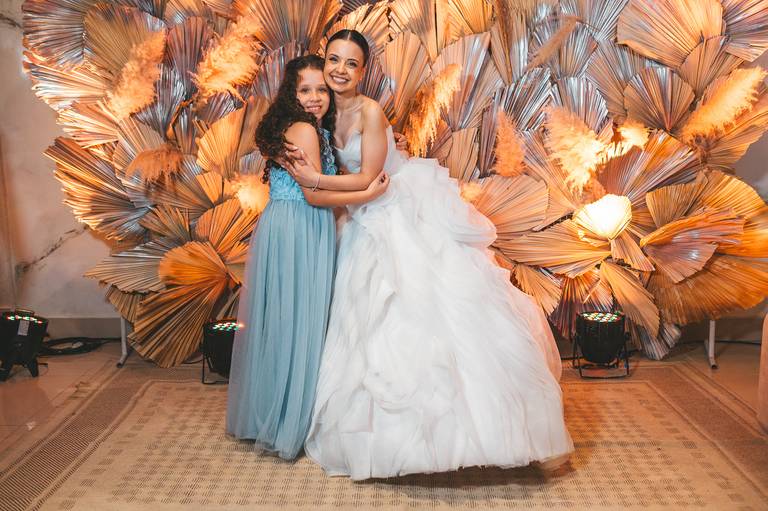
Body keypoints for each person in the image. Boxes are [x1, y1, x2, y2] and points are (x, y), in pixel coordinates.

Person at [287, 30, 574, 479]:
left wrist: (315, 181)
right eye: (334, 60)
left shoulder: (370, 111)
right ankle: (383, 440)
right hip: (359, 212)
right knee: (363, 316)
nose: (340, 70)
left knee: (427, 304)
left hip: (395, 207)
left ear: (363, 72)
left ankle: (485, 433)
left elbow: (370, 178)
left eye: (351, 63)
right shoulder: (320, 113)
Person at [225, 54, 389, 460]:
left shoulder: (303, 127)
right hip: (300, 224)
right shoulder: (304, 130)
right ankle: (287, 422)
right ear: (291, 93)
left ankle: (274, 412)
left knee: (286, 320)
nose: (316, 97)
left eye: (321, 89)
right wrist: (366, 194)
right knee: (299, 320)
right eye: (305, 89)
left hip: (287, 223)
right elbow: (314, 195)